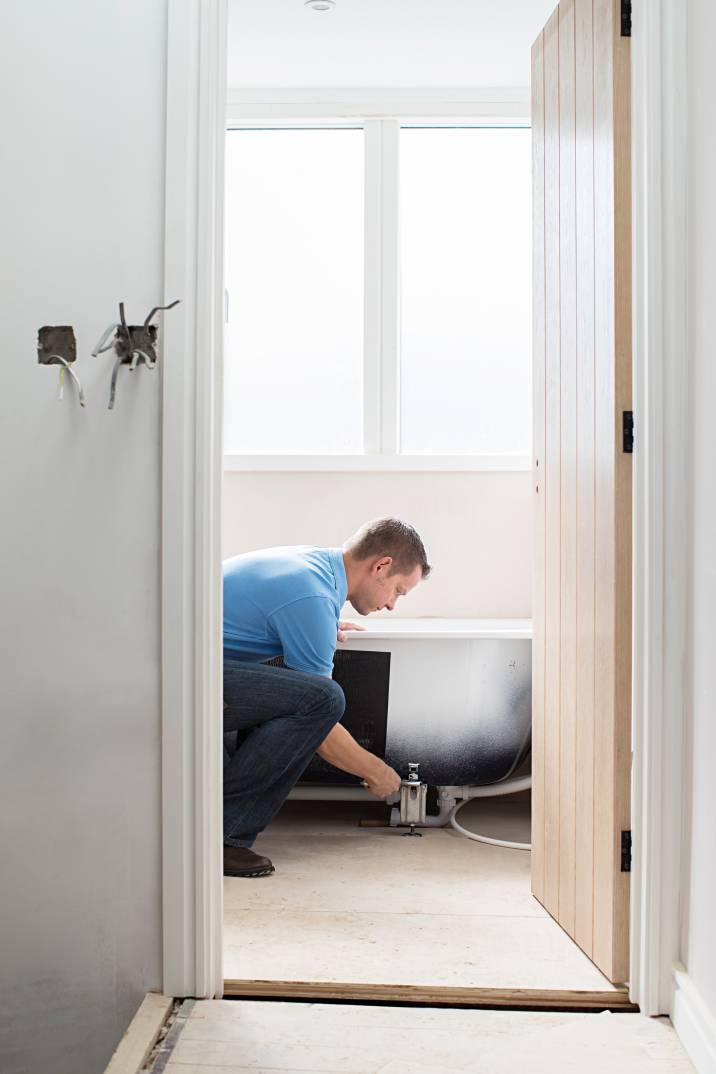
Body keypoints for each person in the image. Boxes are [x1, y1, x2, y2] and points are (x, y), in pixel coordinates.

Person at [222, 517, 431, 877]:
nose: (393, 604)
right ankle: (223, 837)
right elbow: (320, 716)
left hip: (184, 665)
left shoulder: (313, 569)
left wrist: (320, 626)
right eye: (398, 590)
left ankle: (218, 823)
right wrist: (376, 771)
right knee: (325, 699)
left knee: (309, 693)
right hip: (174, 679)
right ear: (381, 566)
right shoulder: (313, 596)